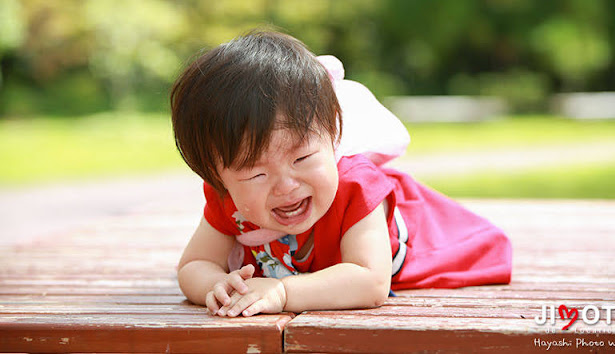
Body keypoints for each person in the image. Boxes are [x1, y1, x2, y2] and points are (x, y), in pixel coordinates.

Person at [170, 30, 512, 318]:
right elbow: (194, 264)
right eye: (256, 175)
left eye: (302, 157)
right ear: (218, 177)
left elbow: (371, 282)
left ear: (334, 134)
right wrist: (215, 284)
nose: (286, 186)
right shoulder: (226, 197)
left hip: (424, 242)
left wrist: (283, 292)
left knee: (471, 245)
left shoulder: (356, 187)